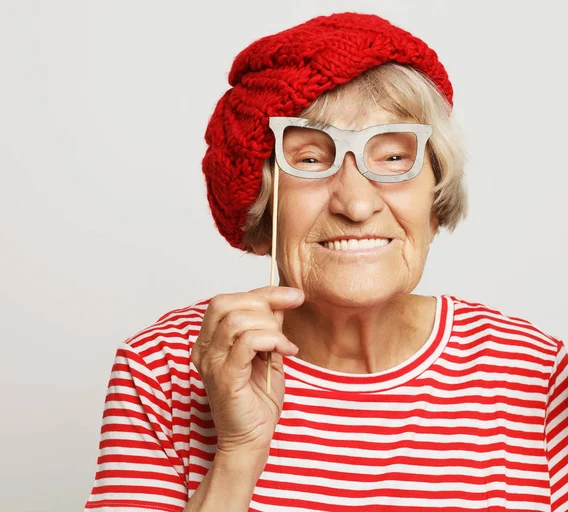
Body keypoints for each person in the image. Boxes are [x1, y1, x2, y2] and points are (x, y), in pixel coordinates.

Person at [84, 12, 567, 512]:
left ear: (435, 195)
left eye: (394, 157)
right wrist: (237, 453)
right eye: (311, 159)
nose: (356, 206)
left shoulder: (538, 373)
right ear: (263, 204)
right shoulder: (161, 370)